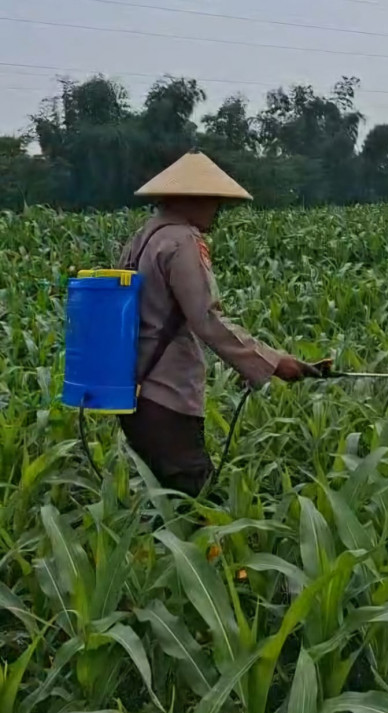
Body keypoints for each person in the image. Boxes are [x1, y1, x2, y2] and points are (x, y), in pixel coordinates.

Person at [118, 151, 319, 496]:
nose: (218, 209)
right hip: (167, 398)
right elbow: (206, 318)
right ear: (191, 198)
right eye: (214, 200)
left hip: (136, 394)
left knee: (166, 503)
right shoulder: (181, 241)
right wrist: (272, 362)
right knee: (198, 506)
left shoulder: (142, 239)